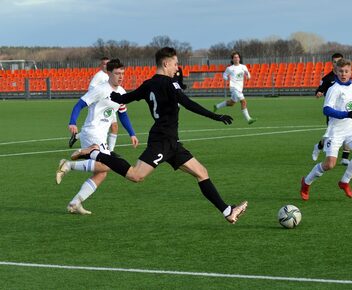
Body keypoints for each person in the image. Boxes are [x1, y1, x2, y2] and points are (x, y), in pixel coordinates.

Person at [63, 47, 248, 224]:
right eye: (175, 63)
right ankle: (94, 153)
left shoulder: (148, 84)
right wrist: (216, 116)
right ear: (166, 64)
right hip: (161, 141)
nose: (177, 67)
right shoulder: (170, 84)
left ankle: (228, 212)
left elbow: (124, 98)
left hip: (171, 142)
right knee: (136, 176)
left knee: (201, 173)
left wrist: (112, 95)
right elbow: (188, 103)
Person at [56, 59, 139, 214]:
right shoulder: (100, 89)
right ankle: (68, 164)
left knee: (101, 173)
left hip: (101, 136)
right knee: (108, 165)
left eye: (122, 73)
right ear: (109, 73)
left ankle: (75, 203)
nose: (120, 76)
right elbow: (79, 104)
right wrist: (72, 122)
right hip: (92, 132)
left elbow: (123, 114)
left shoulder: (121, 92)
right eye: (117, 73)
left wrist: (132, 133)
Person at [300, 58, 352, 201]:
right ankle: (306, 182)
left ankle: (344, 182)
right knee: (330, 164)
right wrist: (345, 114)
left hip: (351, 130)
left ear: (351, 72)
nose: (343, 74)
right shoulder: (333, 89)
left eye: (346, 71)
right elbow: (326, 110)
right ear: (336, 72)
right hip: (335, 132)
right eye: (341, 71)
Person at [69, 57, 121, 154]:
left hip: (110, 104)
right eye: (104, 64)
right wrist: (98, 96)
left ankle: (110, 150)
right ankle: (103, 151)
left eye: (107, 63)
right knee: (98, 125)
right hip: (100, 104)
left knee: (114, 126)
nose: (106, 65)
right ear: (101, 65)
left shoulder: (111, 76)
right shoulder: (99, 76)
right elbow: (91, 89)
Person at [312, 53, 352, 166]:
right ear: (332, 63)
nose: (337, 64)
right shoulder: (327, 78)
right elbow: (319, 90)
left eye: (339, 61)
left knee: (348, 132)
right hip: (332, 112)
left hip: (346, 109)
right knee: (331, 136)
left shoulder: (346, 76)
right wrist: (319, 93)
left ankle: (344, 158)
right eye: (335, 62)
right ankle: (319, 146)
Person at [213, 51, 256, 125]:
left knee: (232, 103)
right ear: (232, 59)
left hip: (240, 87)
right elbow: (224, 75)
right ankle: (249, 119)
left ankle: (217, 106)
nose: (236, 58)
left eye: (237, 57)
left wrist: (248, 75)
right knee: (243, 101)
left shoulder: (243, 67)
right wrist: (226, 78)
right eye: (235, 57)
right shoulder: (230, 68)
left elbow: (248, 75)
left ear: (239, 58)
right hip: (234, 88)